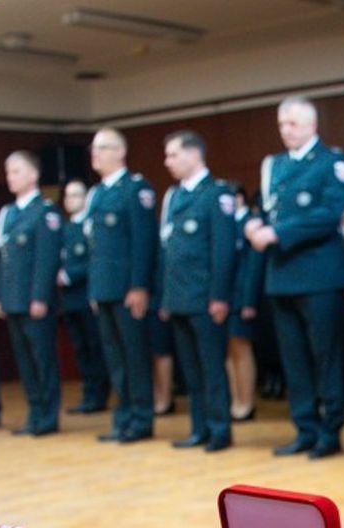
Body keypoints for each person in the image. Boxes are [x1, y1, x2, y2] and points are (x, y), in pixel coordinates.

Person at [246, 97, 344, 459]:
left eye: (293, 124)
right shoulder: (275, 165)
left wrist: (278, 232)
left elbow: (328, 215)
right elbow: (267, 209)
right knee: (293, 359)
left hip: (318, 275)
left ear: (312, 125)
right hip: (282, 274)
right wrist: (254, 224)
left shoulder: (331, 162)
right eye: (281, 124)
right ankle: (305, 427)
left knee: (325, 356)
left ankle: (330, 429)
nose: (286, 130)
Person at [157, 130, 238, 453]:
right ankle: (198, 427)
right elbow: (167, 250)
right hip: (179, 297)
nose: (168, 162)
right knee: (190, 369)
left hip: (205, 297)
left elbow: (223, 250)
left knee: (211, 366)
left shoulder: (216, 194)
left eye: (173, 155)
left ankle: (219, 429)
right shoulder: (173, 196)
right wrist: (166, 297)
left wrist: (219, 296)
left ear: (194, 154)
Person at [85, 127, 158, 444]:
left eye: (102, 148)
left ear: (120, 152)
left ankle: (141, 419)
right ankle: (123, 417)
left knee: (134, 356)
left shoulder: (135, 189)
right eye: (94, 148)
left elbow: (143, 241)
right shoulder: (97, 194)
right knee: (114, 359)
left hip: (127, 289)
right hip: (104, 288)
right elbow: (94, 247)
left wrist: (139, 286)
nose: (95, 154)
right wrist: (94, 289)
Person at [0, 150, 63, 436]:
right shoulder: (8, 213)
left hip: (34, 300)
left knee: (42, 359)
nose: (10, 177)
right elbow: (3, 259)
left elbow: (47, 259)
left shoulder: (45, 212)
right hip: (13, 298)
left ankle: (48, 416)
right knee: (25, 362)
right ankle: (34, 413)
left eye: (16, 171)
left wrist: (39, 296)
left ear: (33, 175)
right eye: (8, 172)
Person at [57, 179, 109, 415]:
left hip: (88, 296)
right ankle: (88, 393)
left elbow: (95, 260)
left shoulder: (91, 226)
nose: (71, 200)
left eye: (76, 195)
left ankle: (99, 395)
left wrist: (70, 275)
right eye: (68, 196)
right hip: (69, 300)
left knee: (94, 346)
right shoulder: (65, 229)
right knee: (80, 349)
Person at [227, 193, 263, 423]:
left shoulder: (250, 222)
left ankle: (246, 402)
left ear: (239, 198)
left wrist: (249, 300)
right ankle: (235, 400)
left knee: (241, 347)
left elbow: (253, 265)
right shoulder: (228, 222)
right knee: (228, 351)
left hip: (242, 296)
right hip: (226, 296)